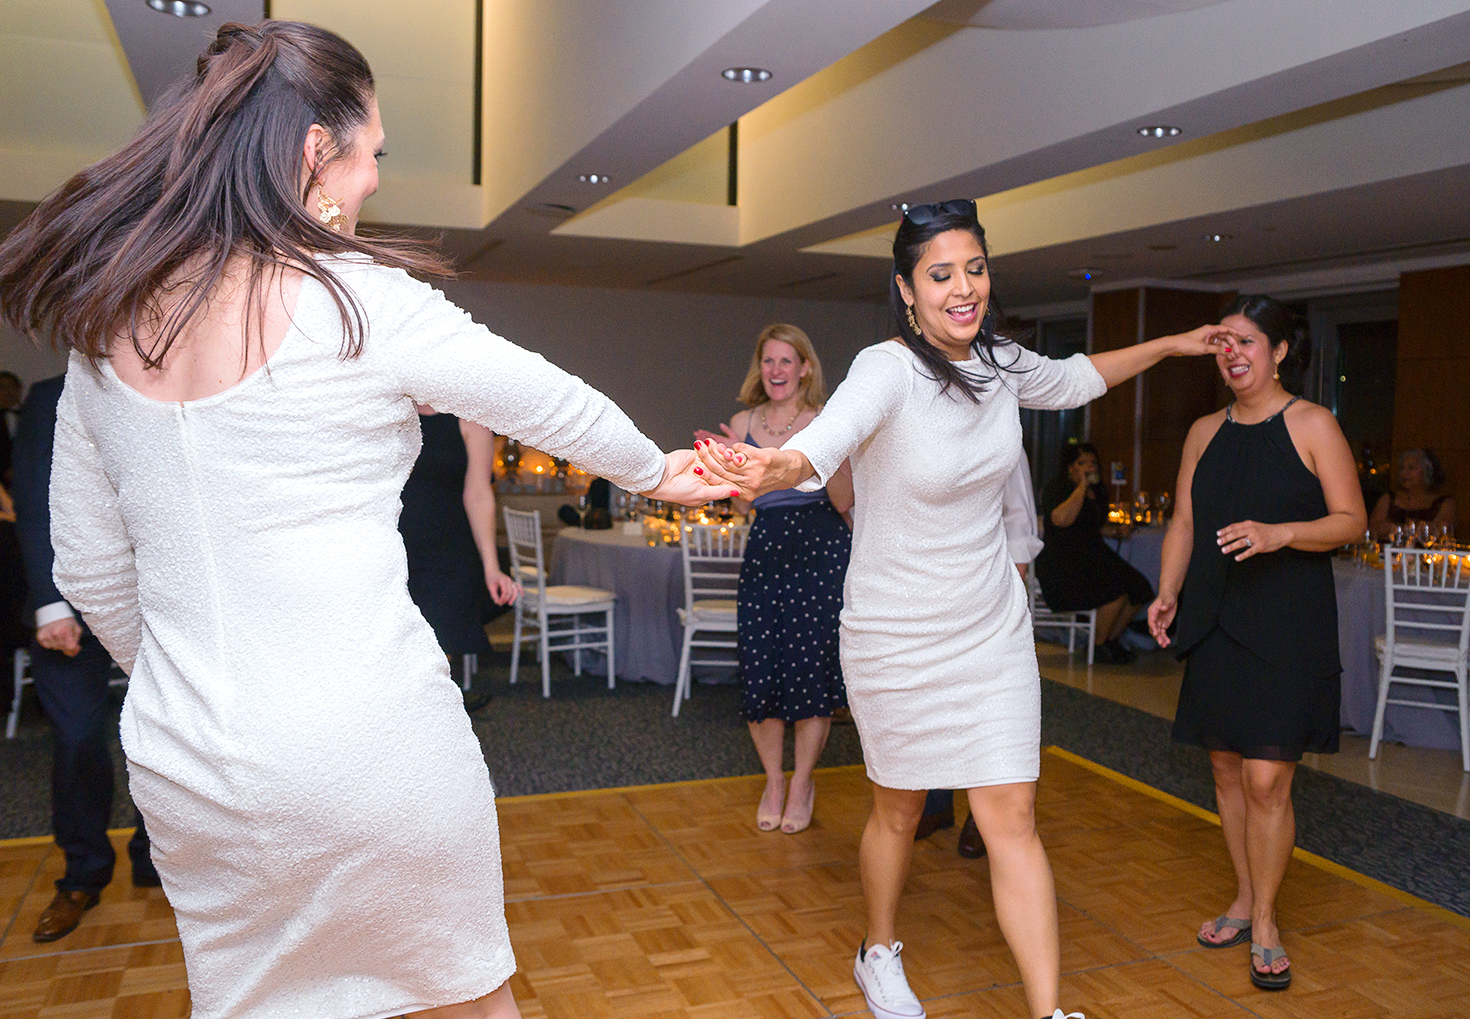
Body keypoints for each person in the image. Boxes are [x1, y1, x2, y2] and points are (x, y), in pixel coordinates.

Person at [0, 20, 732, 1019]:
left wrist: (186, 674)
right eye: (374, 150)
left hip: (187, 763)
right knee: (465, 999)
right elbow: (545, 398)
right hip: (370, 744)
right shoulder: (359, 302)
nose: (377, 177)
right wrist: (659, 469)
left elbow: (89, 567)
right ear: (315, 148)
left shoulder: (104, 330)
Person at [692, 198, 1232, 1019]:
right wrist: (773, 468)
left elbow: (1079, 375)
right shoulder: (886, 368)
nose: (963, 287)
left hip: (990, 626)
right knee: (899, 809)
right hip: (896, 630)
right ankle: (878, 951)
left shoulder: (1002, 361)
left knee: (1012, 812)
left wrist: (1170, 342)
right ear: (907, 290)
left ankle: (1049, 1011)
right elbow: (825, 440)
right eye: (941, 274)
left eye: (975, 268)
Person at [1148, 295, 1365, 992]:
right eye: (1221, 344)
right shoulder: (1204, 430)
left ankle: (1266, 919)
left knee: (1268, 777)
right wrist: (1168, 589)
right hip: (1215, 614)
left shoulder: (1312, 423)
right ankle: (1244, 895)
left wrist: (1281, 533)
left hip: (1287, 620)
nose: (1231, 354)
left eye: (1245, 342)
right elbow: (1183, 519)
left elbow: (1351, 520)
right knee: (1225, 771)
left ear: (1278, 352)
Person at [11, 375, 158, 944]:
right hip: (69, 604)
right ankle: (82, 875)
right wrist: (50, 604)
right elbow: (34, 499)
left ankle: (157, 858)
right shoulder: (51, 394)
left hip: (156, 597)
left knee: (163, 734)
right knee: (75, 740)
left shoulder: (165, 384)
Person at [698, 323, 853, 835]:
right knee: (761, 666)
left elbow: (845, 500)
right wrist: (726, 466)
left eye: (787, 361)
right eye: (769, 361)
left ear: (805, 367)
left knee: (810, 671)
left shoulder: (826, 420)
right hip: (766, 549)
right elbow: (746, 503)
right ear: (759, 369)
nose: (777, 370)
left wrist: (838, 453)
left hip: (820, 547)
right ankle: (774, 780)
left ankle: (803, 780)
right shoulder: (743, 420)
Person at [916, 453, 1042, 858]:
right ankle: (935, 804)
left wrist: (1012, 580)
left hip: (987, 595)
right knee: (930, 704)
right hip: (924, 590)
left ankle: (981, 814)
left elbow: (1018, 512)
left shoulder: (997, 414)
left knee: (986, 708)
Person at [400, 406, 520, 710]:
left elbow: (478, 494)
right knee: (396, 656)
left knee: (436, 655)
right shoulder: (388, 409)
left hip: (448, 555)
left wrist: (491, 568)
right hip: (392, 553)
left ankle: (435, 727)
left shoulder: (470, 419)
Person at [1033, 442, 1155, 664]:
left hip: (1094, 554)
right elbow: (1061, 520)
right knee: (1115, 590)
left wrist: (1115, 530)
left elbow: (1092, 526)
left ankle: (1108, 641)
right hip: (1065, 561)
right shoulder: (1058, 488)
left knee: (1140, 588)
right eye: (1082, 463)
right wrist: (1081, 487)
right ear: (1070, 467)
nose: (1089, 467)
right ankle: (1098, 645)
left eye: (1093, 463)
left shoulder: (1097, 492)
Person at [1368, 448, 1455, 542]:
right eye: (1401, 468)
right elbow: (1373, 529)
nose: (1404, 474)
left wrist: (1396, 529)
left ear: (1427, 471)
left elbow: (1441, 532)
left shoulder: (1444, 503)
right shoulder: (1388, 498)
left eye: (1411, 468)